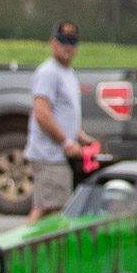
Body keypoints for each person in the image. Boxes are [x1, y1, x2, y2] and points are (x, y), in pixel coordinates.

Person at [25, 20, 94, 222]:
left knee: (49, 209)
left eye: (73, 42)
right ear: (52, 42)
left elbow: (64, 112)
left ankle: (26, 250)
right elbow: (42, 113)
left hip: (58, 155)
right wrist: (65, 142)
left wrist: (80, 136)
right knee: (49, 210)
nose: (68, 46)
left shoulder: (68, 73)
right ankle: (20, 250)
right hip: (49, 155)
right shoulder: (49, 72)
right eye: (63, 40)